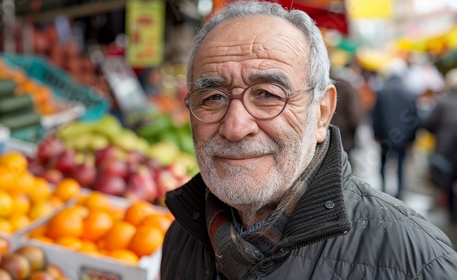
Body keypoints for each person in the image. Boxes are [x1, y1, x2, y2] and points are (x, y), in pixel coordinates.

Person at [160, 2, 457, 279]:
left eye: (267, 94)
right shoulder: (181, 237)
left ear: (322, 113)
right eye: (212, 97)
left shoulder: (418, 264)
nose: (235, 127)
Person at [371, 59, 419, 199]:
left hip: (385, 135)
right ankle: (399, 193)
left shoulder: (382, 91)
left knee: (383, 164)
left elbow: (376, 115)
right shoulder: (410, 93)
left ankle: (384, 190)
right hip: (403, 137)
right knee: (400, 164)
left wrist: (376, 133)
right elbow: (414, 117)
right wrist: (412, 138)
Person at [421, 68, 457, 222]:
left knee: (447, 179)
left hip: (444, 147)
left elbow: (428, 123)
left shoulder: (442, 102)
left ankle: (450, 212)